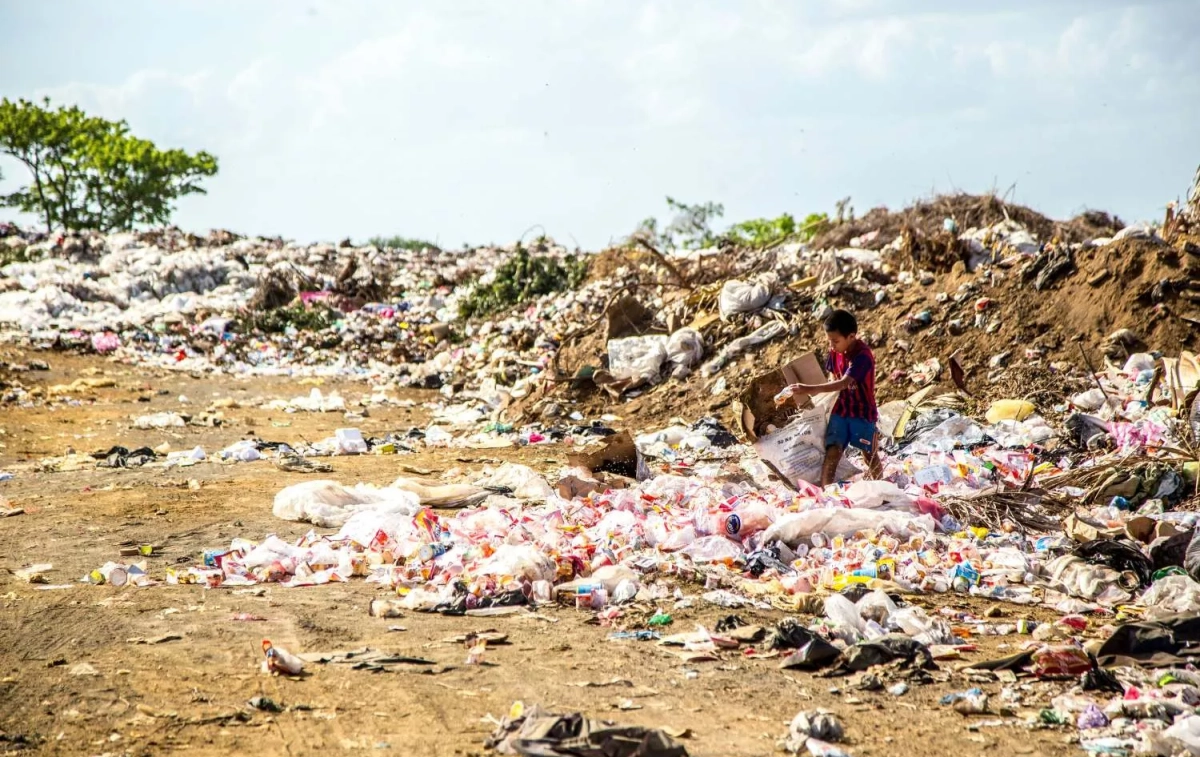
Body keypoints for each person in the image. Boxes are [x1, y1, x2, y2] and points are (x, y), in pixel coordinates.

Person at [781, 309, 881, 486]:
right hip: (841, 410)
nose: (832, 345)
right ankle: (828, 493)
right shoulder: (834, 352)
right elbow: (832, 378)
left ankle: (882, 487)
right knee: (833, 451)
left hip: (862, 413)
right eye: (829, 341)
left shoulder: (862, 356)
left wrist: (807, 389)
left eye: (835, 341)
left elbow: (842, 383)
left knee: (869, 455)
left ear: (851, 337)